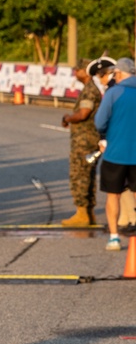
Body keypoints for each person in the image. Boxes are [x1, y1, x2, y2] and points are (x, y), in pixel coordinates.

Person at [94, 57, 136, 251]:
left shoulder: (113, 93)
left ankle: (114, 237)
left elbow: (99, 122)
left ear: (118, 74)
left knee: (114, 195)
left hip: (116, 153)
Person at [60, 58, 104, 226]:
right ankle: (88, 213)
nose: (75, 73)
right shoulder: (90, 89)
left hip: (84, 141)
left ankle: (82, 213)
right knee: (88, 175)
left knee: (80, 175)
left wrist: (69, 118)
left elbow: (84, 113)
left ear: (85, 71)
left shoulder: (89, 91)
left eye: (77, 70)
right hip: (88, 139)